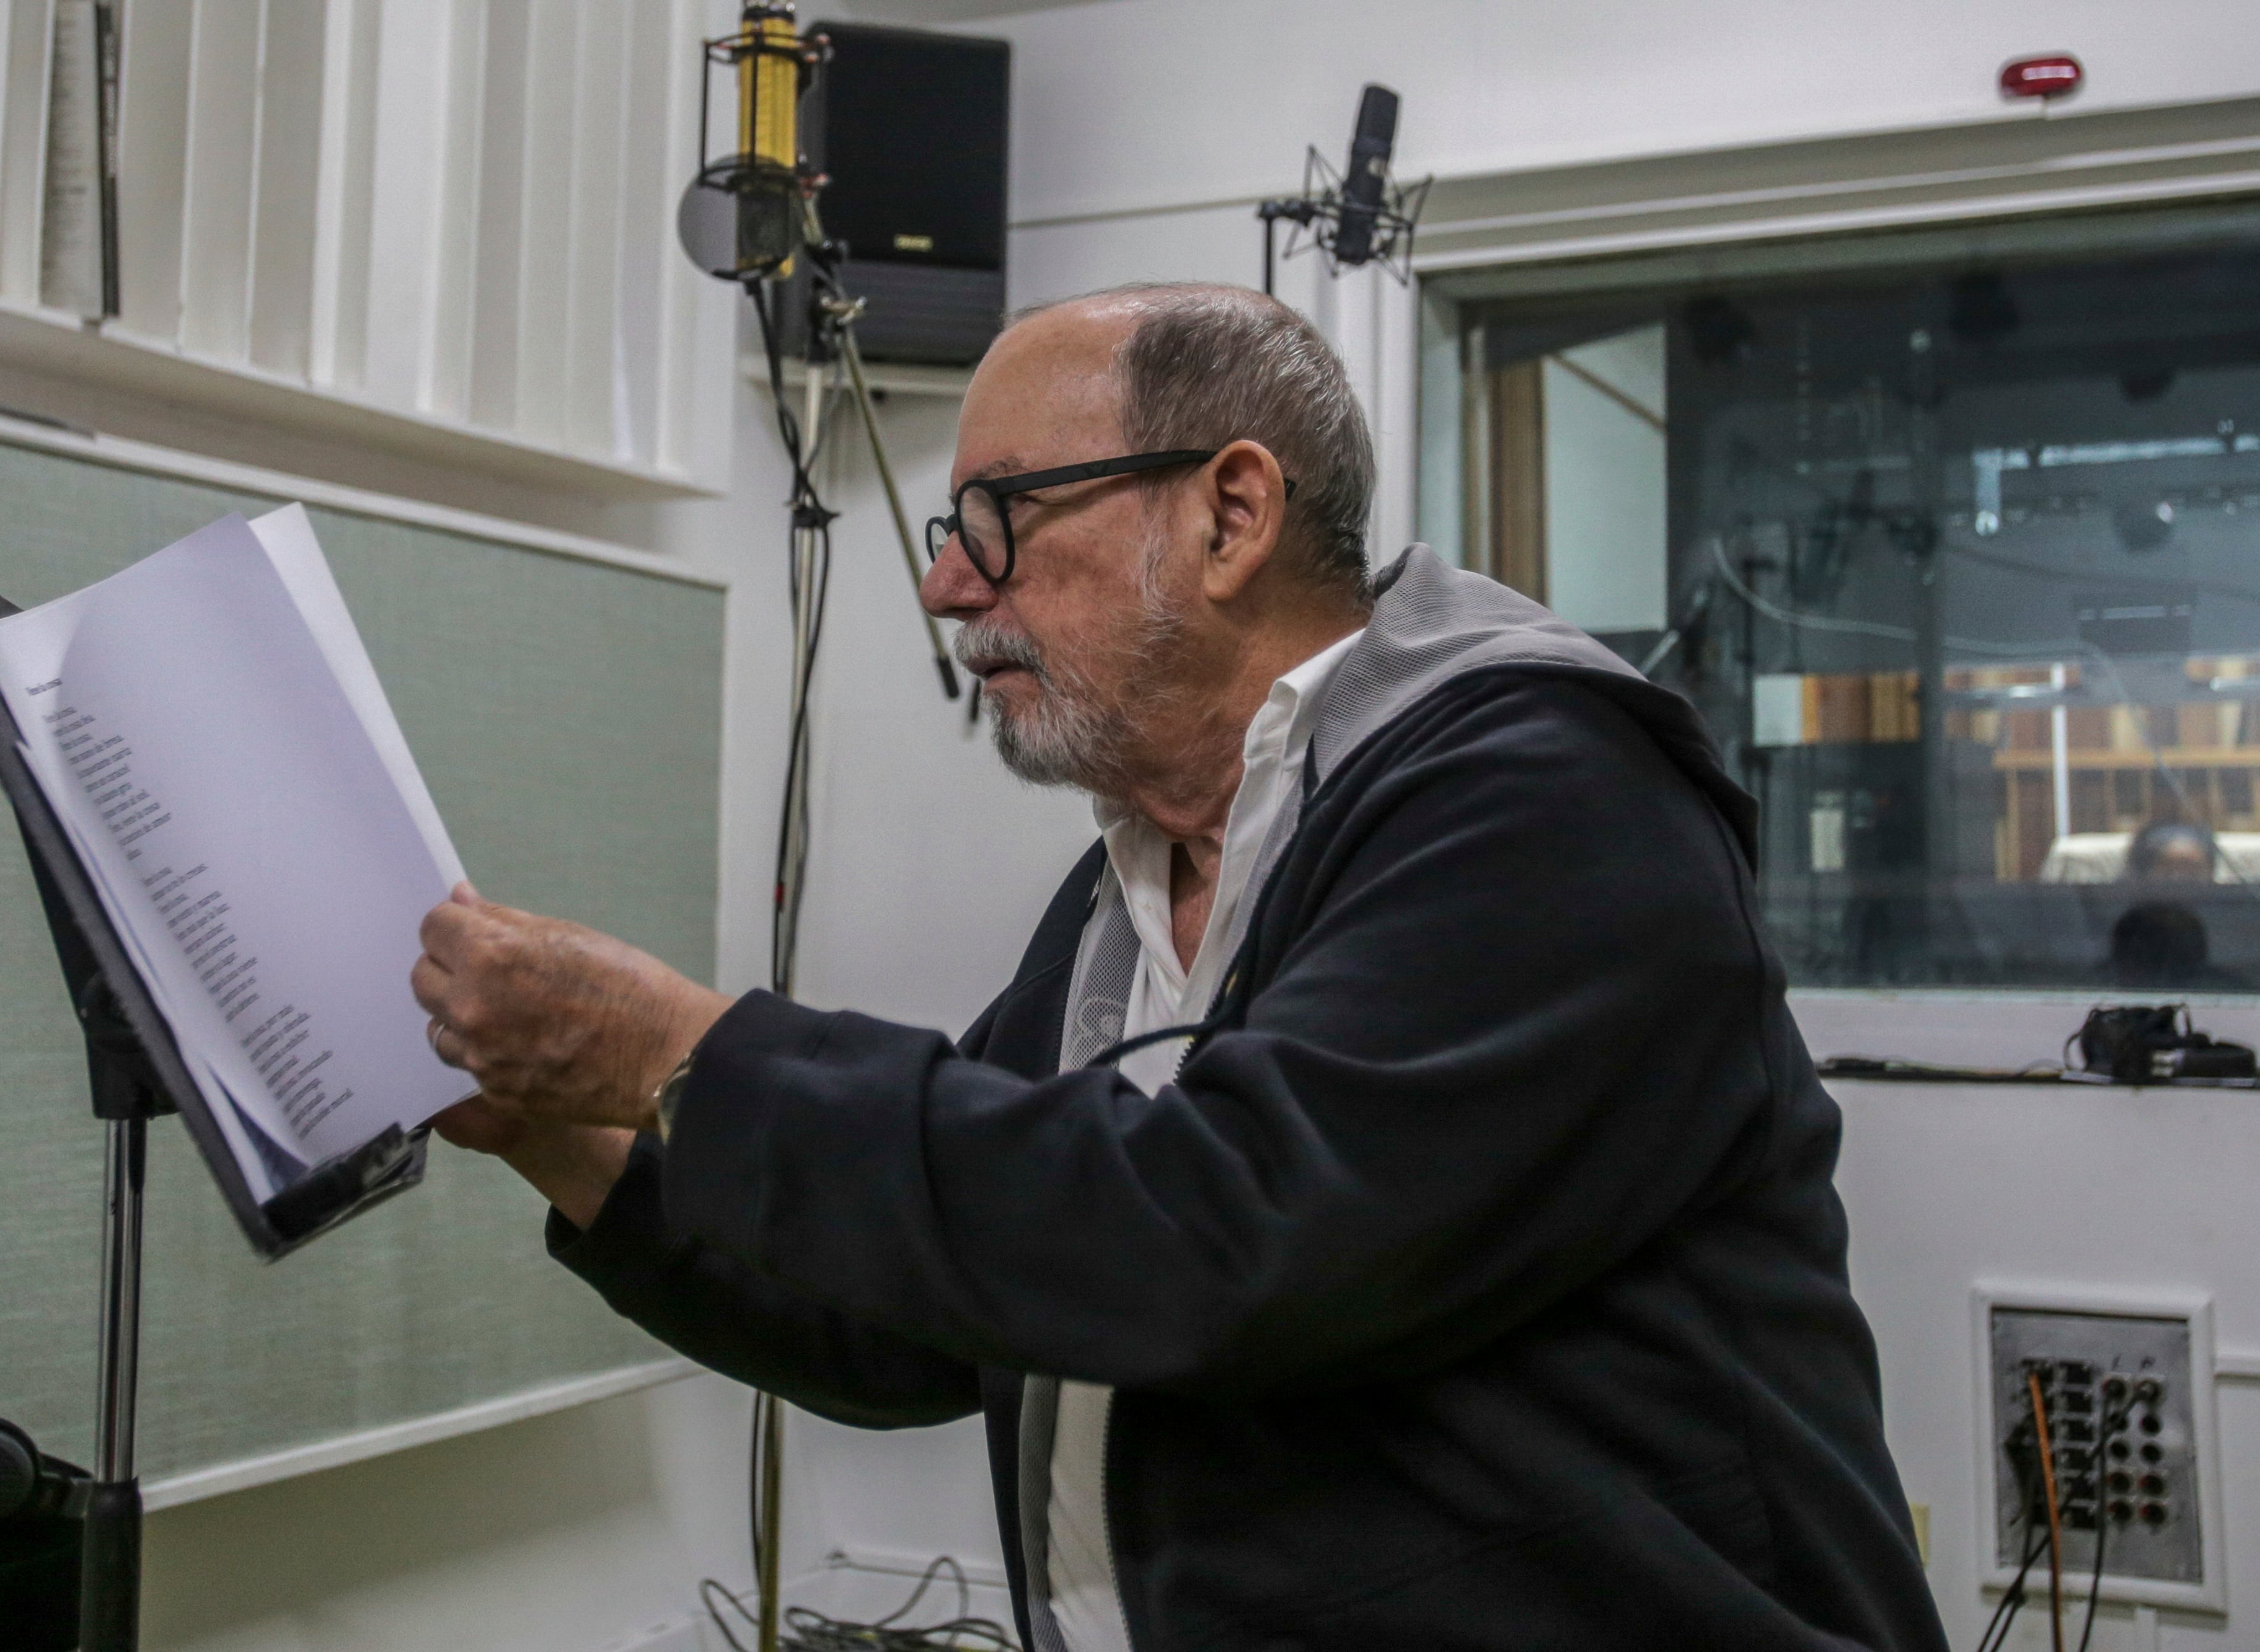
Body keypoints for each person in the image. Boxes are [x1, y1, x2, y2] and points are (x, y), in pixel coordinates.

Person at [411, 283, 1946, 1651]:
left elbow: (1219, 1233)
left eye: (997, 515)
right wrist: (565, 1128)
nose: (950, 586)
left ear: (1229, 515)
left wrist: (681, 1045)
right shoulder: (1131, 887)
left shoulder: (1546, 798)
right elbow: (928, 1307)